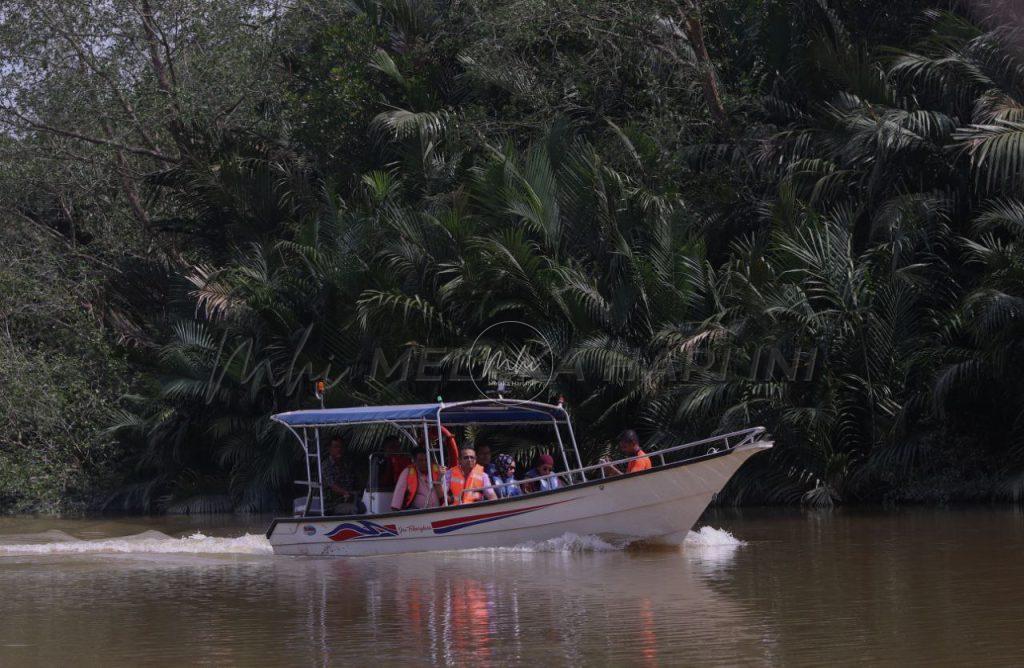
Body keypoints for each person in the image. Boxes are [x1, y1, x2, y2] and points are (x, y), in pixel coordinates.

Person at [322, 436, 364, 513]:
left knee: (366, 505)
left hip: (351, 499)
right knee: (353, 509)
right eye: (336, 447)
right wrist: (345, 493)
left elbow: (358, 478)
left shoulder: (347, 463)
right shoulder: (326, 465)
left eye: (341, 447)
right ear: (329, 449)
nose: (339, 449)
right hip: (333, 504)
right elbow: (332, 485)